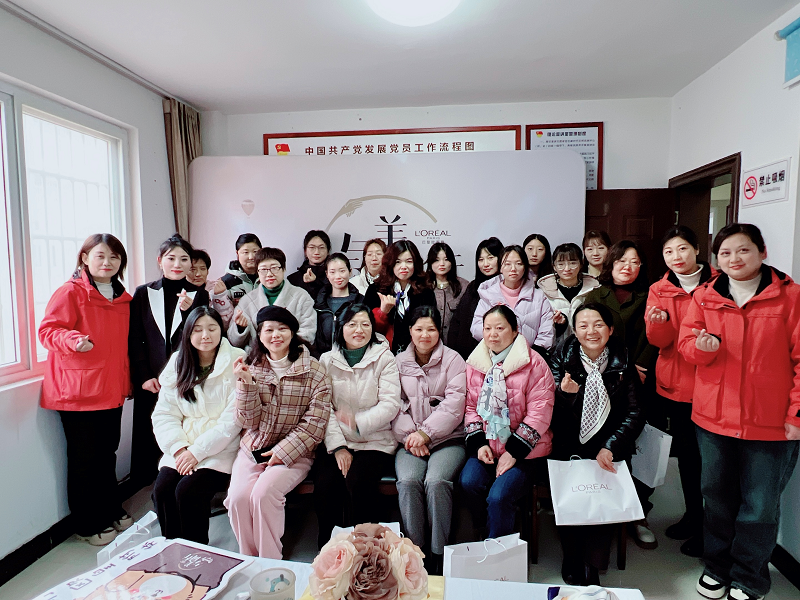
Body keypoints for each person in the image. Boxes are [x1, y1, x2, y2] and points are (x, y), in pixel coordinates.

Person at [678, 224, 800, 600]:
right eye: (726, 253)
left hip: (771, 422)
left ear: (762, 252)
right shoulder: (705, 296)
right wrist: (701, 348)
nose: (734, 259)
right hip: (714, 419)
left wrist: (796, 414)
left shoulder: (790, 297)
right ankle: (716, 567)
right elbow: (687, 345)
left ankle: (749, 577)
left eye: (743, 250)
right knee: (716, 498)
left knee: (759, 506)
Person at [39, 234, 133, 546]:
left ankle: (109, 508)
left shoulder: (123, 298)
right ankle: (86, 522)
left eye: (114, 257)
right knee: (84, 459)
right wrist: (73, 340)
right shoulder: (70, 291)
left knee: (107, 454)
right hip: (77, 393)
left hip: (110, 390)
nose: (107, 262)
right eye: (100, 256)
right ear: (85, 258)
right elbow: (48, 330)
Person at [549, 303, 645, 585]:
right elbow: (549, 414)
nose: (591, 331)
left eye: (598, 324)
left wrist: (611, 446)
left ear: (610, 329)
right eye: (583, 325)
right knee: (572, 487)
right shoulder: (561, 358)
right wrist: (566, 396)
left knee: (605, 482)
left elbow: (636, 412)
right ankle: (571, 555)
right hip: (569, 444)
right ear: (574, 331)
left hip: (609, 443)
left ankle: (593, 564)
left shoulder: (622, 360)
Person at [226, 306, 331, 558]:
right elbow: (247, 421)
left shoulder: (314, 370)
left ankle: (270, 561)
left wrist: (283, 452)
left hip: (296, 452)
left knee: (263, 494)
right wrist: (246, 384)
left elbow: (315, 423)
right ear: (260, 334)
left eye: (282, 329)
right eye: (269, 330)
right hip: (254, 447)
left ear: (293, 333)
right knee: (238, 498)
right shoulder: (251, 366)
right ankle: (249, 558)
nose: (276, 335)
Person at [645, 226, 715, 558]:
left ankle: (710, 527)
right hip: (676, 385)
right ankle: (693, 515)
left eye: (683, 248)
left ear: (697, 249)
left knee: (712, 460)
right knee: (687, 457)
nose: (676, 256)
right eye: (669, 251)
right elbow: (658, 341)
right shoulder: (659, 289)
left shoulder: (719, 284)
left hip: (712, 384)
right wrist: (659, 323)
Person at [584, 240, 659, 548]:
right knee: (608, 444)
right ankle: (606, 507)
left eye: (634, 262)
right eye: (621, 261)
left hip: (644, 377)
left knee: (643, 448)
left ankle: (639, 513)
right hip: (606, 381)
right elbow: (588, 335)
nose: (627, 267)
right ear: (610, 264)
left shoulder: (652, 294)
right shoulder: (595, 295)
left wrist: (641, 365)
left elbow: (657, 335)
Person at [151, 306, 245, 545]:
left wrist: (197, 452)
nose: (205, 335)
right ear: (188, 333)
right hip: (182, 446)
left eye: (212, 328)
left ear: (221, 330)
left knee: (188, 491)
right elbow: (164, 414)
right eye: (198, 330)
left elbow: (233, 420)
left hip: (220, 448)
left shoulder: (236, 359)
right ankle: (172, 547)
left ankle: (196, 552)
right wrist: (179, 448)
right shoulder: (178, 362)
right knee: (163, 490)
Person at [460, 305, 555, 539]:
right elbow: (470, 407)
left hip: (526, 451)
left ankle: (498, 550)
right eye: (487, 329)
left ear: (515, 331)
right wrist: (479, 444)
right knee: (468, 482)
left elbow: (539, 413)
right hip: (489, 445)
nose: (492, 334)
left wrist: (514, 451)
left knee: (499, 497)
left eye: (500, 328)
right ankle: (485, 531)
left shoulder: (534, 363)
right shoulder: (475, 363)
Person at [314, 304, 402, 548]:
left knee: (359, 482)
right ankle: (329, 550)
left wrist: (357, 422)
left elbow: (390, 404)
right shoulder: (327, 360)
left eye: (365, 324)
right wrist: (338, 447)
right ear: (340, 327)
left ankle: (366, 550)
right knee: (326, 484)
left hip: (375, 440)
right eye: (352, 324)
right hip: (338, 440)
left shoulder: (384, 358)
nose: (359, 330)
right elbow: (323, 407)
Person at [129, 234, 210, 487]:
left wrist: (188, 312)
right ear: (160, 261)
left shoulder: (199, 295)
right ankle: (146, 485)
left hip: (184, 375)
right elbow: (135, 338)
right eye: (171, 258)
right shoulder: (143, 293)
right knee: (148, 430)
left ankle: (178, 479)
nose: (177, 264)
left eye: (184, 259)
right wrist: (144, 376)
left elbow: (201, 337)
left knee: (181, 428)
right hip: (151, 376)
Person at [392, 306, 467, 575]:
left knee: (436, 482)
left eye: (431, 329)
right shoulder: (398, 362)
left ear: (439, 331)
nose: (425, 335)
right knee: (409, 481)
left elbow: (455, 405)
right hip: (409, 441)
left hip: (448, 439)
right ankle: (416, 551)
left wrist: (425, 434)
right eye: (419, 329)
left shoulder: (454, 360)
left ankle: (439, 552)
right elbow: (393, 404)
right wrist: (412, 436)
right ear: (410, 331)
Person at [227, 247, 316, 350]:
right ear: (258, 272)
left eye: (274, 268)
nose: (269, 274)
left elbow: (308, 334)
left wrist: (280, 350)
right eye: (263, 270)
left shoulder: (301, 297)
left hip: (292, 355)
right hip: (256, 357)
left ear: (283, 269)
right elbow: (233, 342)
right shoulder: (247, 301)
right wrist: (240, 328)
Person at [471, 245, 555, 350]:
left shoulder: (539, 297)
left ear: (525, 267)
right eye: (507, 264)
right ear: (500, 267)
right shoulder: (489, 295)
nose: (513, 269)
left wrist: (533, 353)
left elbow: (547, 332)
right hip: (495, 353)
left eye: (519, 264)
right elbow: (476, 328)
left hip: (530, 355)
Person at [364, 240, 436, 354]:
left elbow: (431, 325)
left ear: (415, 263)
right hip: (382, 354)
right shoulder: (376, 289)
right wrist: (382, 312)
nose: (403, 267)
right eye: (398, 262)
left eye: (409, 261)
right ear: (391, 263)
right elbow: (366, 328)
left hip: (417, 354)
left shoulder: (425, 291)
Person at [447, 237, 504, 360]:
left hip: (494, 356)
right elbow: (457, 320)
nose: (485, 264)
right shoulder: (473, 287)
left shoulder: (506, 287)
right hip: (465, 356)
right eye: (481, 259)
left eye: (490, 258)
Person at [537, 243, 600, 344]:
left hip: (586, 346)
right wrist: (559, 324)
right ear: (554, 266)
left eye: (572, 263)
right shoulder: (543, 292)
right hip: (554, 348)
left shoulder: (594, 290)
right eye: (561, 264)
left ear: (581, 263)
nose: (567, 269)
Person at [314, 253, 364, 356]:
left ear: (350, 272)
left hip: (354, 357)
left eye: (342, 271)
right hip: (323, 359)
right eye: (332, 272)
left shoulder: (361, 301)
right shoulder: (318, 303)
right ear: (327, 274)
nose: (338, 276)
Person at [426, 242, 469, 343]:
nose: (442, 264)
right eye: (437, 260)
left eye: (446, 259)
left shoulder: (464, 286)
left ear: (452, 262)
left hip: (456, 344)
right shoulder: (423, 286)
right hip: (428, 342)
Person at [188, 249, 235, 328]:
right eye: (193, 269)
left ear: (207, 271)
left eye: (203, 269)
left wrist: (220, 296)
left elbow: (227, 324)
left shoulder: (215, 289)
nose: (198, 274)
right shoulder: (181, 293)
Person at [287, 230, 331, 300]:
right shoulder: (292, 279)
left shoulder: (333, 278)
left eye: (321, 247)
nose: (316, 252)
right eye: (312, 247)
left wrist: (315, 282)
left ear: (328, 251)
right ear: (305, 251)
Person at [220, 233, 262, 306]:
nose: (251, 257)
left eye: (255, 252)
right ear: (237, 253)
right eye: (246, 252)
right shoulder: (227, 281)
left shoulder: (267, 277)